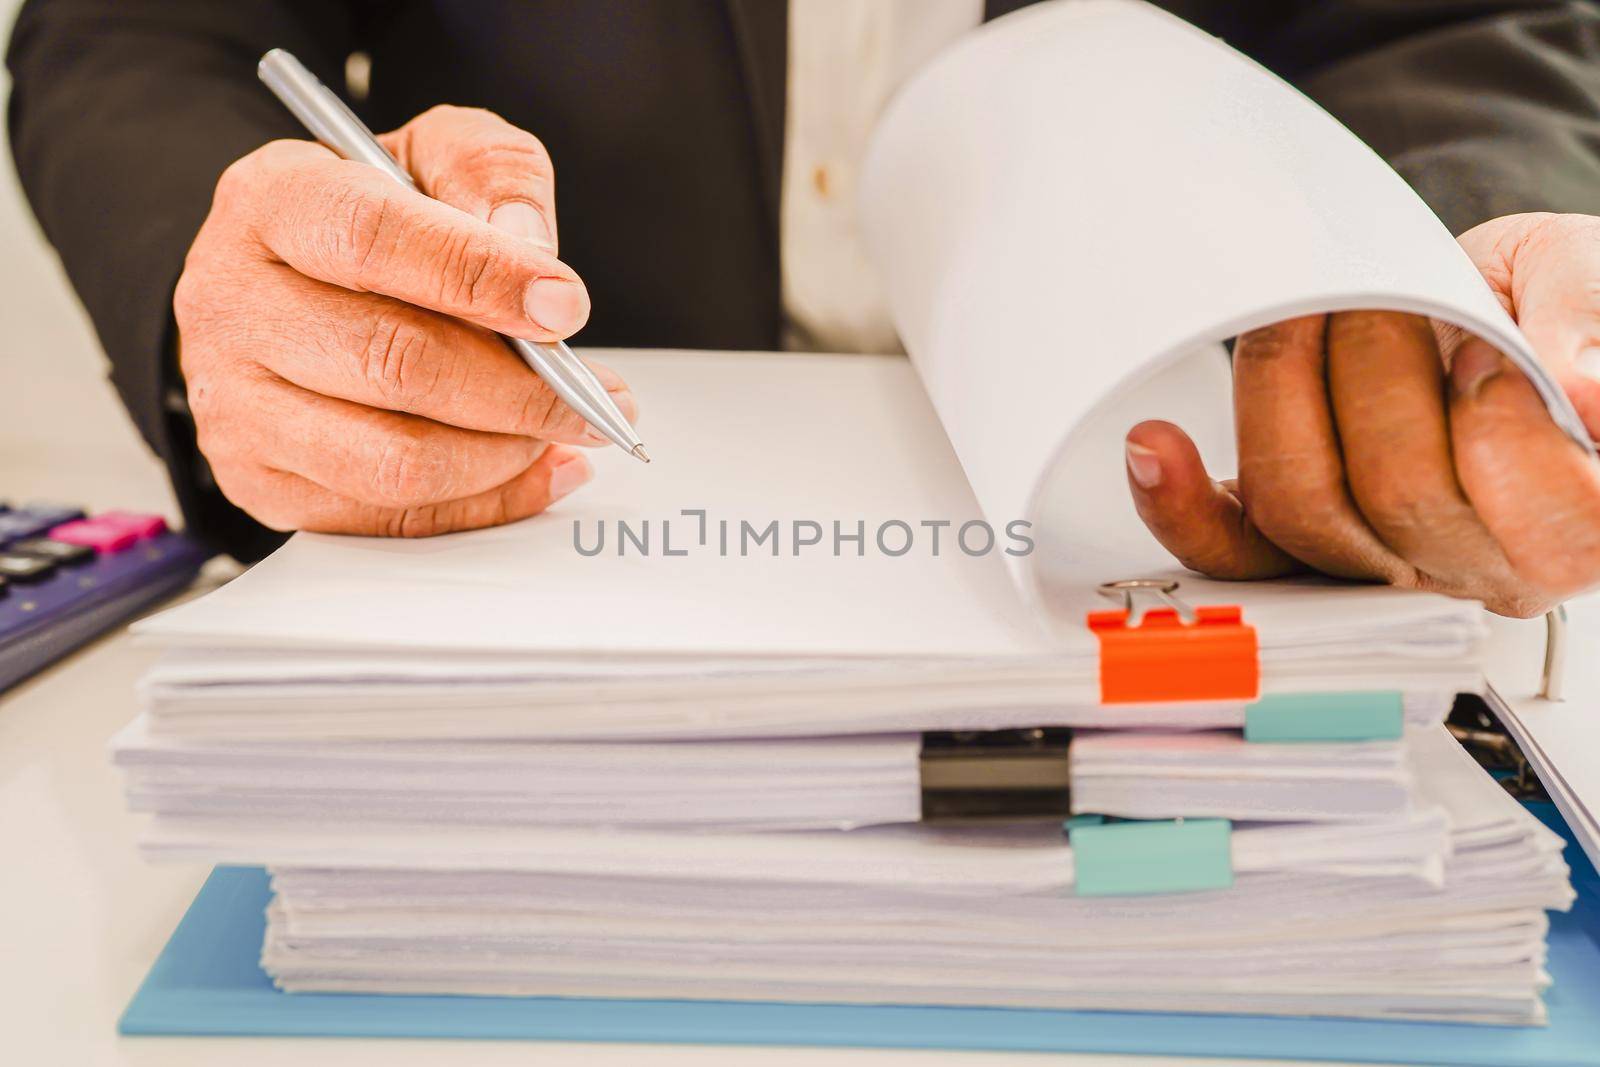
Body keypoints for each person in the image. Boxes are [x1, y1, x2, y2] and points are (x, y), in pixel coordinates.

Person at [8, 0, 1600, 617]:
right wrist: (249, 281)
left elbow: (1455, 21)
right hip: (535, 523)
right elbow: (136, 33)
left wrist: (1438, 284)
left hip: (1205, 475)